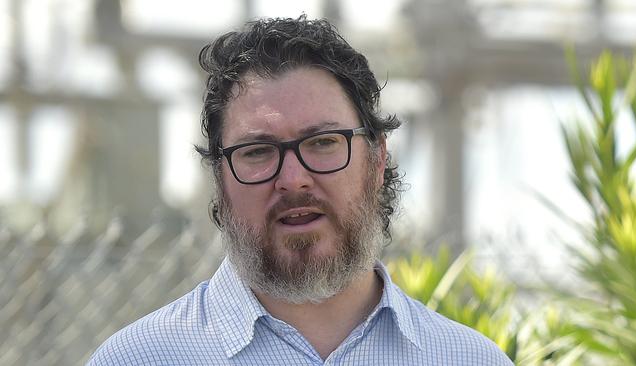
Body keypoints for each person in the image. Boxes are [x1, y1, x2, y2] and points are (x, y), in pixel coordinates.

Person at [88, 16, 513, 365]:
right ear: (220, 179)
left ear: (378, 159)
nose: (293, 178)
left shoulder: (468, 360)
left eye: (324, 143)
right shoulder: (138, 359)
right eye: (258, 151)